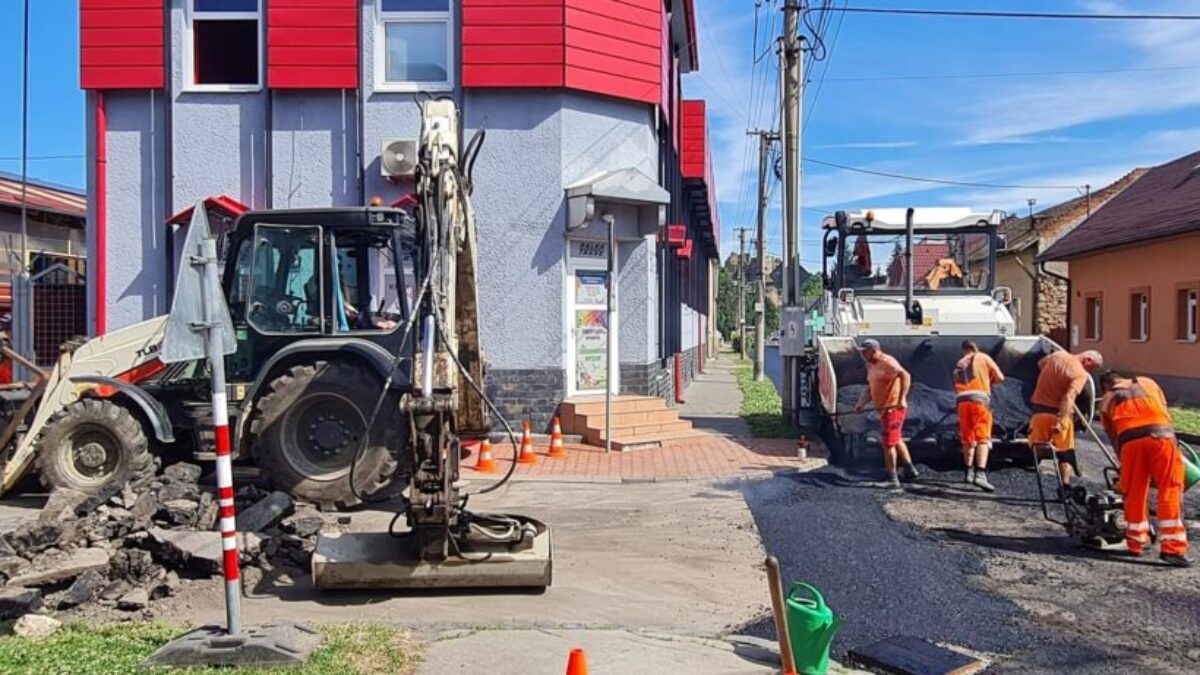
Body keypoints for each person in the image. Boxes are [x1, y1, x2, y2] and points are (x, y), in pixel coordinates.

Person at [1098, 371, 1191, 567]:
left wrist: (1123, 463)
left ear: (1106, 387)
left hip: (1129, 444)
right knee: (1170, 487)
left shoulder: (1106, 400)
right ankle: (1172, 549)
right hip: (1161, 436)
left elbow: (1113, 435)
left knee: (1134, 491)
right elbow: (1164, 412)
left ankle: (1136, 543)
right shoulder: (1148, 383)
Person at [853, 338, 919, 489]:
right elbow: (870, 389)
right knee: (896, 439)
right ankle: (909, 469)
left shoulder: (888, 362)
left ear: (873, 350)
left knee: (888, 443)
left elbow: (905, 376)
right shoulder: (872, 366)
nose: (863, 354)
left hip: (893, 409)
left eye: (865, 351)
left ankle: (892, 478)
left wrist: (902, 398)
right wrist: (861, 404)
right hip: (883, 410)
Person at [1029, 349, 1103, 484]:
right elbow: (1068, 397)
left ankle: (1040, 461)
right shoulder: (1080, 373)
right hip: (1058, 414)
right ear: (1087, 360)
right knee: (1065, 453)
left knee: (1037, 446)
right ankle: (1065, 485)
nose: (1090, 372)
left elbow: (1041, 363)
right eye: (1092, 368)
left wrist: (1051, 380)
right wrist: (1062, 421)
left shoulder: (1057, 355)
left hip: (1039, 411)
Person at [952, 340, 1004, 492]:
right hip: (980, 400)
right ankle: (980, 475)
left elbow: (957, 383)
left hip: (962, 402)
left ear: (964, 351)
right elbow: (1000, 377)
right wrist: (989, 380)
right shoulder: (983, 357)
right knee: (983, 438)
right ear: (975, 348)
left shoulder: (959, 363)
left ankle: (968, 472)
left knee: (968, 438)